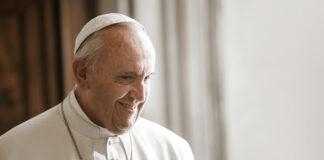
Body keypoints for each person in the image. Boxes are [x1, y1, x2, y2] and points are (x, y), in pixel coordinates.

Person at [0, 13, 194, 160]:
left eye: (147, 78)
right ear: (83, 73)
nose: (141, 94)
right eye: (126, 77)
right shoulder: (14, 151)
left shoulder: (173, 150)